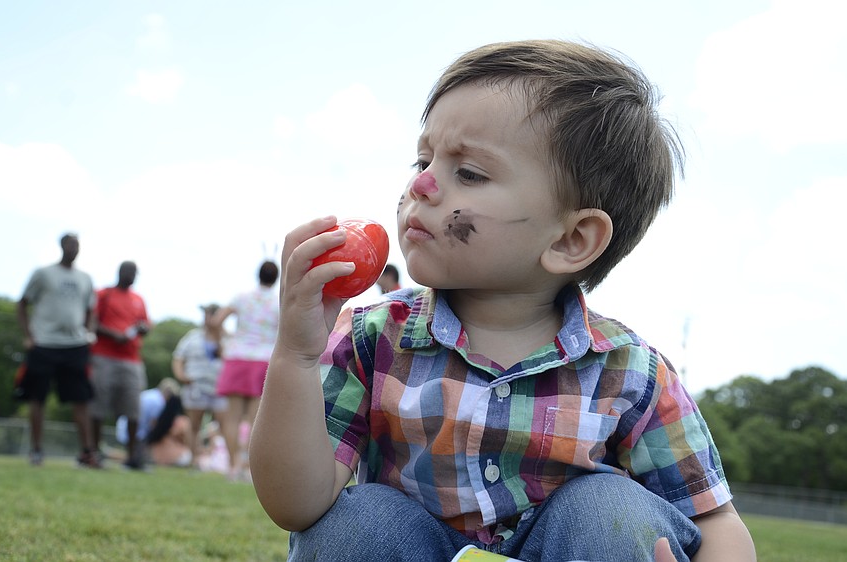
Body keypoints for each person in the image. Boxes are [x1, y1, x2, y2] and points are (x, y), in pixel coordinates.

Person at [250, 40, 756, 562]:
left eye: (468, 173)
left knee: (608, 509)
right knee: (362, 521)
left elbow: (713, 518)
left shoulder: (630, 373)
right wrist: (296, 354)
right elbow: (296, 505)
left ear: (570, 240)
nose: (420, 185)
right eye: (423, 159)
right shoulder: (371, 339)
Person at [15, 233, 99, 467]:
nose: (75, 248)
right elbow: (22, 303)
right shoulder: (43, 274)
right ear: (62, 246)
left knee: (81, 399)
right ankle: (36, 450)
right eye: (71, 244)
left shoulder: (85, 278)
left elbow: (91, 309)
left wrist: (89, 332)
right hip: (44, 344)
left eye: (78, 245)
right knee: (37, 397)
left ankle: (87, 452)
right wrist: (29, 336)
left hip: (75, 346)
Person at [212, 260, 279, 482]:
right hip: (263, 360)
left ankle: (233, 467)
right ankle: (249, 469)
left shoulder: (242, 297)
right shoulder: (278, 301)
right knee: (255, 420)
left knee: (232, 418)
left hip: (237, 356)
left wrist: (228, 338)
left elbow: (217, 320)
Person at [88, 260, 151, 470]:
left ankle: (132, 457)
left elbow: (146, 325)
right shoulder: (104, 294)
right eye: (129, 271)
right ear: (120, 272)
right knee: (97, 405)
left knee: (133, 409)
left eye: (135, 272)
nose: (131, 276)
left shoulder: (138, 299)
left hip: (132, 359)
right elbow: (92, 323)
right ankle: (94, 453)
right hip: (103, 356)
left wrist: (142, 328)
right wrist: (115, 335)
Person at [171, 303, 228, 466]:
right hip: (195, 385)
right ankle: (194, 459)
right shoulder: (192, 336)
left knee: (225, 424)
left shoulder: (227, 338)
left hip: (220, 387)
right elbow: (178, 357)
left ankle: (225, 462)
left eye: (210, 315)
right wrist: (181, 375)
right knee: (194, 423)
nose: (207, 319)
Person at [115, 377, 180, 449]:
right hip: (133, 434)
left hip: (123, 429)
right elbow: (154, 425)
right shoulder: (159, 402)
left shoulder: (151, 393)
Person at [144, 391, 193, 467]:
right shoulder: (183, 422)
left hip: (157, 457)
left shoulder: (158, 421)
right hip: (178, 457)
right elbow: (188, 441)